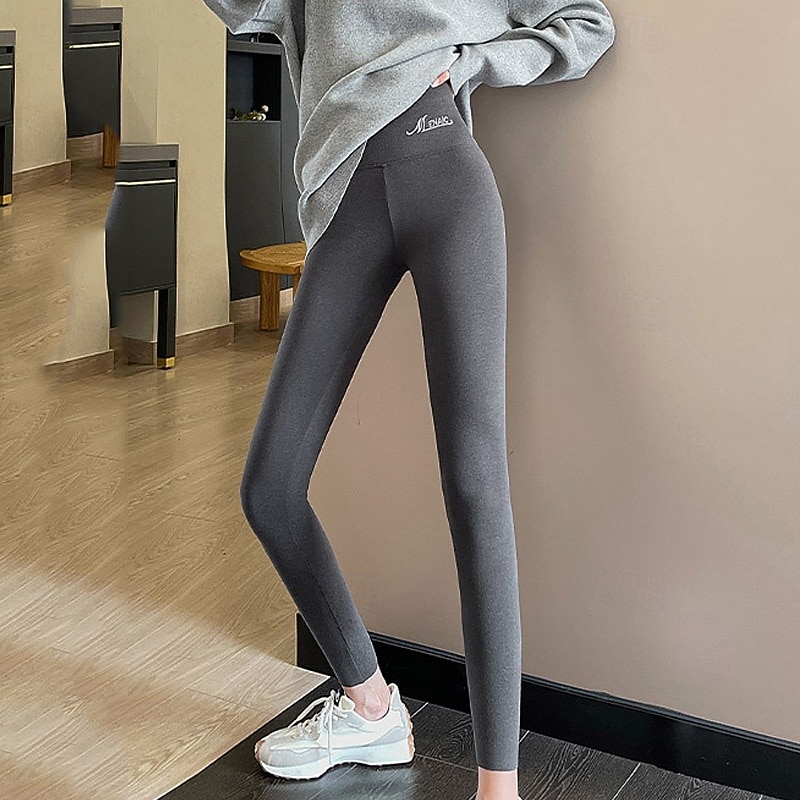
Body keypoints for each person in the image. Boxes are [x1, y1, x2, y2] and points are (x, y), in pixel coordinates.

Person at [201, 3, 616, 798]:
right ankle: (371, 709)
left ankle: (499, 787)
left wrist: (476, 63)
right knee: (270, 487)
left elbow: (588, 23)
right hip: (346, 196)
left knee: (475, 483)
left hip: (447, 176)